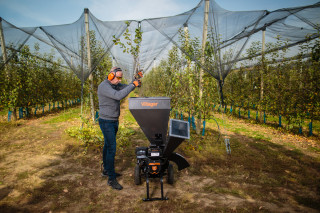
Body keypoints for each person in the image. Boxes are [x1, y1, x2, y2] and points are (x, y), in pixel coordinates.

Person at [98, 67, 142, 190]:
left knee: (107, 146)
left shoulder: (114, 85)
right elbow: (118, 96)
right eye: (117, 77)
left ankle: (106, 170)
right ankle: (111, 179)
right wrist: (132, 85)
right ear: (111, 76)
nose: (119, 80)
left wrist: (134, 82)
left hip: (113, 121)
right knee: (112, 148)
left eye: (120, 77)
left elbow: (124, 88)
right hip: (106, 121)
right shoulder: (104, 86)